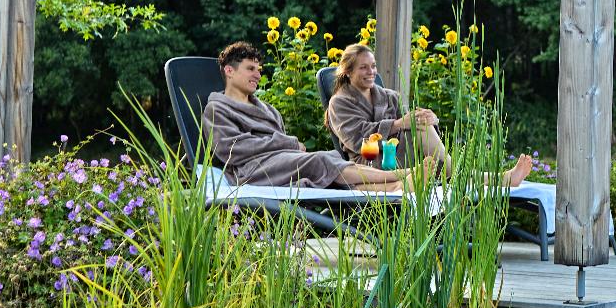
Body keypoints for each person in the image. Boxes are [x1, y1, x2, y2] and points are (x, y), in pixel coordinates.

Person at [323, 41, 537, 189]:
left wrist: (430, 119)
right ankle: (493, 179)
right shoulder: (339, 102)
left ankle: (477, 176)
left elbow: (408, 124)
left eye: (373, 66)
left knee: (422, 125)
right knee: (424, 135)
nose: (371, 72)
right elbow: (356, 139)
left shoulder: (388, 96)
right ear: (348, 71)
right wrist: (398, 124)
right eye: (363, 68)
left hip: (404, 157)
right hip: (371, 163)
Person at [202, 41, 411, 189]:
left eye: (259, 69)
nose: (258, 75)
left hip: (281, 162)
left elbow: (282, 145)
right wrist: (290, 143)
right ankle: (397, 175)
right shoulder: (218, 109)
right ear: (229, 71)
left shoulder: (268, 110)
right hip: (251, 170)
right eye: (250, 69)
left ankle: (396, 187)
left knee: (330, 160)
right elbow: (232, 149)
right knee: (320, 161)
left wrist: (290, 147)